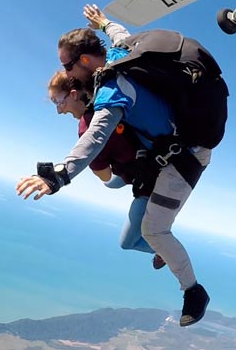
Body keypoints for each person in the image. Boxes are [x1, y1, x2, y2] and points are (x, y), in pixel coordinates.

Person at [16, 5, 227, 327]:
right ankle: (164, 252)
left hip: (185, 158)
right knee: (136, 237)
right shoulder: (123, 55)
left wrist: (61, 175)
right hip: (170, 155)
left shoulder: (112, 88)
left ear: (84, 61)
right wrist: (104, 23)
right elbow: (121, 35)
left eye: (68, 65)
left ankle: (194, 291)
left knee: (154, 230)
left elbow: (97, 134)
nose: (67, 73)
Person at [47, 69, 165, 262]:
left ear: (74, 94)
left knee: (127, 242)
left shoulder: (86, 127)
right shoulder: (110, 99)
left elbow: (105, 174)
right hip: (149, 159)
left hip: (148, 183)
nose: (59, 110)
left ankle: (162, 250)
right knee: (111, 183)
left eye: (59, 102)